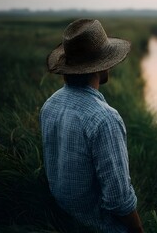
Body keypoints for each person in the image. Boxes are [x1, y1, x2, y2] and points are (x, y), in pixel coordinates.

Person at [40, 19, 143, 233]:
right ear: (102, 65)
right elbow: (119, 200)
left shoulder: (50, 105)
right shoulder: (104, 119)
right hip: (98, 226)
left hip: (60, 220)